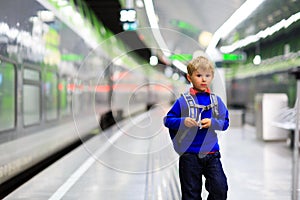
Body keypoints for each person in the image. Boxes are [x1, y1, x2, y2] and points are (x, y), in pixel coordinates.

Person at [164, 56, 229, 200]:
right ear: (190, 77)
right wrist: (183, 121)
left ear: (212, 76)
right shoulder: (183, 101)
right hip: (189, 155)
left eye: (207, 75)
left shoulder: (216, 101)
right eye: (199, 75)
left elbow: (225, 122)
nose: (203, 79)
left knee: (220, 189)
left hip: (212, 155)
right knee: (190, 195)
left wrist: (213, 123)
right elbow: (167, 120)